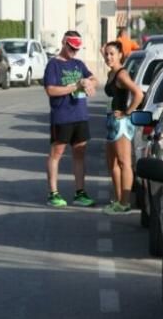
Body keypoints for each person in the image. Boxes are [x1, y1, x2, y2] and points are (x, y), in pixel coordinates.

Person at [43, 30, 99, 207]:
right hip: (62, 116)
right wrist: (75, 86)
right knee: (56, 153)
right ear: (63, 43)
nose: (74, 51)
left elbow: (93, 78)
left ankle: (80, 193)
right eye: (71, 48)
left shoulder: (78, 64)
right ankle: (53, 193)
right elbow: (50, 90)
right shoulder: (53, 65)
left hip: (80, 115)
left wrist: (89, 82)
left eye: (77, 49)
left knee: (79, 154)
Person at [101, 41, 144, 215]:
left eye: (112, 54)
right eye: (106, 54)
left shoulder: (121, 74)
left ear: (120, 55)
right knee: (112, 163)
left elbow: (138, 94)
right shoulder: (111, 73)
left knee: (124, 162)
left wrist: (127, 112)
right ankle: (118, 201)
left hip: (121, 124)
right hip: (111, 121)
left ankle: (125, 203)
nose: (108, 57)